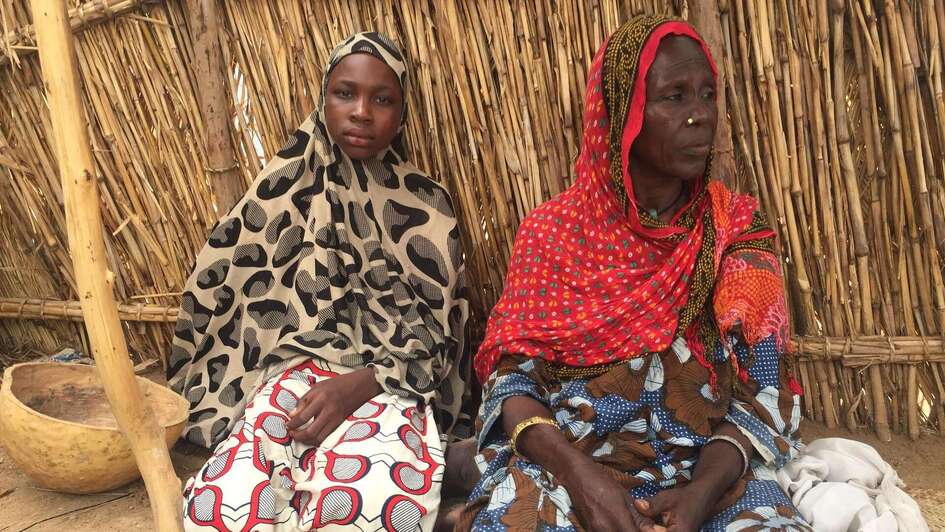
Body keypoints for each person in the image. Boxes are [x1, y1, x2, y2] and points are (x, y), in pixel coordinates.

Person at [456, 15, 811, 532]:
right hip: (567, 470)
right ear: (623, 115)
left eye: (707, 95)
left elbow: (766, 392)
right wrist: (582, 480)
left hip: (703, 475)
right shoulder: (552, 234)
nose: (701, 117)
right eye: (675, 97)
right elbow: (512, 382)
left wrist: (699, 497)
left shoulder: (733, 230)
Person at [167, 32, 471, 531]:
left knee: (360, 506)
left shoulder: (425, 208)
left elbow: (437, 346)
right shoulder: (283, 191)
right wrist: (294, 380)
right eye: (345, 93)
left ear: (402, 115)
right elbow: (225, 289)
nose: (361, 112)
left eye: (382, 99)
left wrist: (357, 386)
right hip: (290, 378)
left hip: (387, 385)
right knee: (220, 508)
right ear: (323, 100)